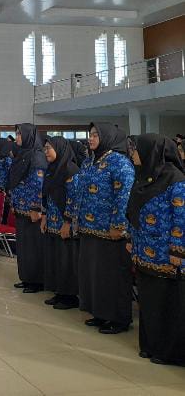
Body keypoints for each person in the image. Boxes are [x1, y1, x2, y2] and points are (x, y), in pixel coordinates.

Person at [127, 134, 184, 365]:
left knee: (166, 304)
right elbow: (132, 211)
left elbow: (181, 218)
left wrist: (178, 251)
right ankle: (150, 345)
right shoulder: (143, 177)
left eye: (136, 149)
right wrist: (131, 238)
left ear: (151, 152)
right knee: (149, 302)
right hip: (144, 251)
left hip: (166, 256)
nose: (133, 154)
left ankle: (167, 351)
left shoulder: (176, 179)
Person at [78, 122, 135, 334]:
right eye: (90, 134)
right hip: (89, 228)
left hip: (111, 231)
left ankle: (118, 318)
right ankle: (100, 312)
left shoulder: (119, 162)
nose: (91, 138)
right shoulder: (90, 161)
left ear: (107, 137)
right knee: (95, 274)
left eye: (95, 135)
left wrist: (118, 225)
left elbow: (124, 196)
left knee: (113, 276)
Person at [40, 136, 81, 310]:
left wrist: (68, 222)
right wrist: (44, 217)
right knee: (56, 258)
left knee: (67, 259)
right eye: (45, 148)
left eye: (49, 148)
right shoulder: (52, 168)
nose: (46, 152)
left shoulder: (70, 169)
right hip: (52, 221)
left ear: (59, 149)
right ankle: (59, 292)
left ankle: (70, 296)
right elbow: (46, 194)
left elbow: (74, 198)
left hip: (65, 222)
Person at [8, 124, 47, 293]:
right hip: (20, 207)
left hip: (32, 210)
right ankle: (26, 277)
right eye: (16, 134)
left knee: (33, 247)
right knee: (23, 247)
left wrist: (36, 207)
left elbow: (38, 184)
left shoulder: (37, 156)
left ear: (28, 136)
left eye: (19, 134)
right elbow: (14, 181)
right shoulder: (22, 154)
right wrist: (13, 203)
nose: (17, 137)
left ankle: (37, 281)